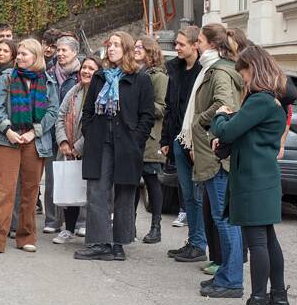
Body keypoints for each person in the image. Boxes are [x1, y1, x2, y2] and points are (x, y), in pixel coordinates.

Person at [210, 46, 290, 305]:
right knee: (268, 241)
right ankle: (278, 302)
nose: (243, 79)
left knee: (257, 243)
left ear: (253, 69)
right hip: (262, 179)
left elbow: (228, 131)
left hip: (253, 181)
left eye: (244, 72)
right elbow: (243, 133)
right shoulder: (270, 102)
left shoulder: (259, 101)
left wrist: (220, 115)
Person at [74, 31, 155, 262]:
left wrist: (136, 141)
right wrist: (90, 133)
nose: (111, 49)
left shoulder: (140, 79)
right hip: (100, 142)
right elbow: (88, 111)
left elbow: (147, 116)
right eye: (109, 45)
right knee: (97, 193)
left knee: (124, 194)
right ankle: (100, 242)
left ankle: (118, 243)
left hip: (126, 144)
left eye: (117, 45)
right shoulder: (100, 77)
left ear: (127, 49)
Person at [0, 38, 58, 256]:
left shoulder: (48, 81)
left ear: (36, 57)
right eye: (19, 53)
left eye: (24, 54)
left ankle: (26, 237)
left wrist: (34, 132)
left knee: (30, 191)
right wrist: (9, 131)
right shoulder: (7, 78)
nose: (19, 57)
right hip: (8, 139)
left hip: (35, 141)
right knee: (3, 191)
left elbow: (52, 112)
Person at [182, 24, 245, 298]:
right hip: (213, 152)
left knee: (224, 220)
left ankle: (232, 280)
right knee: (222, 218)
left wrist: (199, 121)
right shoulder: (218, 68)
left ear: (209, 44)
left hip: (216, 156)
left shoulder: (219, 71)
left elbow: (223, 103)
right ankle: (226, 275)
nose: (197, 46)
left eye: (200, 42)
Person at [162, 26, 205, 261]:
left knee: (198, 196)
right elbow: (170, 106)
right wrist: (166, 140)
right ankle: (193, 241)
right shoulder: (176, 70)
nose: (175, 47)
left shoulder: (204, 71)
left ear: (195, 44)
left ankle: (200, 244)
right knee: (187, 195)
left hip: (197, 142)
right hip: (178, 140)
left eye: (180, 44)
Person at [53, 55, 101, 243]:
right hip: (69, 149)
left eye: (91, 68)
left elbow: (95, 123)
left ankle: (89, 226)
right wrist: (63, 142)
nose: (86, 71)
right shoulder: (74, 91)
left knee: (90, 191)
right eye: (84, 67)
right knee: (70, 189)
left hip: (88, 149)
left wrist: (79, 146)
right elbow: (60, 116)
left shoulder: (100, 93)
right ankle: (69, 229)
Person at [43, 35, 82, 235]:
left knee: (77, 178)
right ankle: (52, 219)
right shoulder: (48, 73)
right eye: (58, 50)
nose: (59, 54)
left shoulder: (81, 74)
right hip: (52, 133)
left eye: (64, 50)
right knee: (52, 178)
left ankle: (80, 222)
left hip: (75, 135)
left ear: (75, 52)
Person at [133, 36, 168, 244]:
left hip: (151, 137)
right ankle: (130, 225)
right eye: (135, 46)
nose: (136, 50)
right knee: (133, 182)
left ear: (150, 51)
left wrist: (136, 103)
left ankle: (156, 228)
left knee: (151, 180)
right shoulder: (135, 72)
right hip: (135, 135)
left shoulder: (158, 76)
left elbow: (161, 107)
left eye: (140, 47)